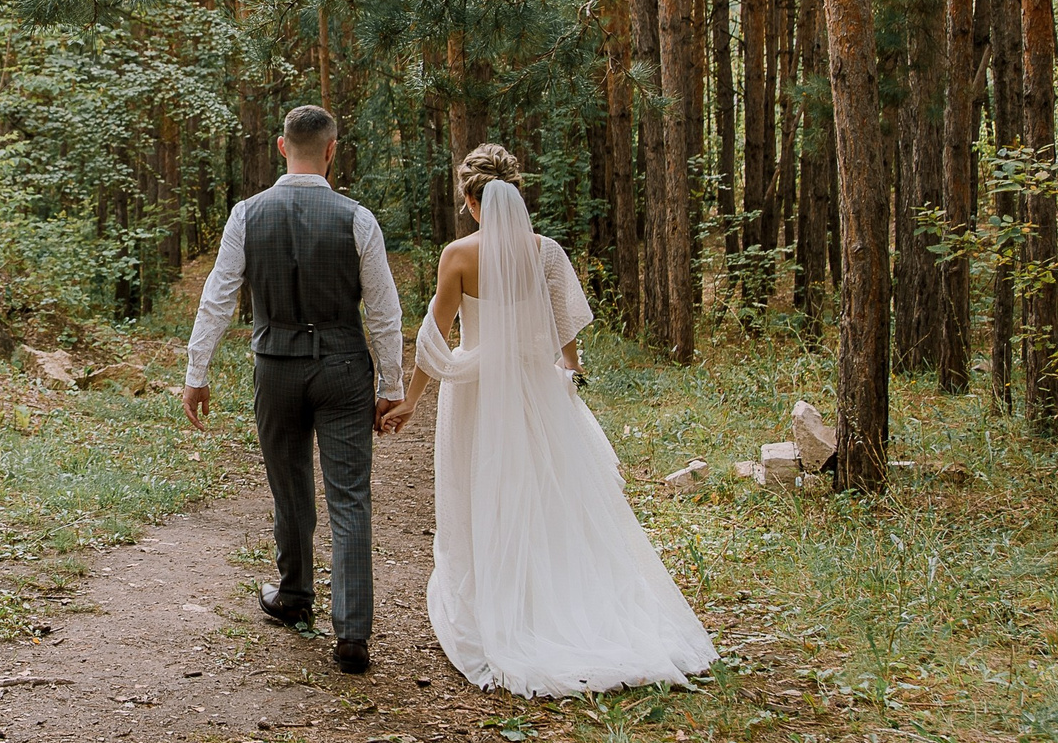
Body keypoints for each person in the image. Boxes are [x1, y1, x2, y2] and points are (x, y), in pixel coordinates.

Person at [383, 144, 715, 696]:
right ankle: (560, 597)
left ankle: (501, 599)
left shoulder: (459, 255)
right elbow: (566, 326)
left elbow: (434, 338)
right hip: (537, 390)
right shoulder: (547, 252)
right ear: (515, 192)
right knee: (547, 493)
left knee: (485, 488)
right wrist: (570, 370)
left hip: (479, 395)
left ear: (470, 199)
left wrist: (412, 400)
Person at [182, 105, 405, 675]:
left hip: (276, 366)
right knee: (349, 497)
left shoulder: (247, 215)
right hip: (343, 368)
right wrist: (391, 382)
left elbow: (219, 295)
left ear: (283, 147)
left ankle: (294, 595)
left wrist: (196, 372)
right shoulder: (358, 219)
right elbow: (382, 309)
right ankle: (352, 633)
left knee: (289, 486)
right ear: (332, 151)